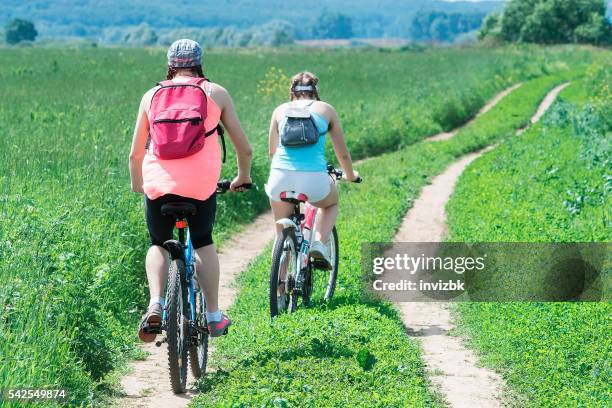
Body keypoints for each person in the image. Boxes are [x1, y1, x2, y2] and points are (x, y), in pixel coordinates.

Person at [129, 39, 253, 342]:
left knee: (158, 243)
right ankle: (212, 316)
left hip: (159, 183)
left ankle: (156, 302)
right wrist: (242, 177)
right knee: (202, 241)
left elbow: (134, 154)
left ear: (170, 63)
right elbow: (244, 148)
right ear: (199, 62)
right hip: (200, 185)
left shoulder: (152, 94)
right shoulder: (215, 92)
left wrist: (140, 186)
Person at [265, 71, 359, 267]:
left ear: (292, 91)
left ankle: (279, 292)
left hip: (279, 177)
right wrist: (350, 175)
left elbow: (272, 152)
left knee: (281, 233)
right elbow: (342, 154)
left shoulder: (279, 110)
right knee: (330, 204)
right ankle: (319, 243)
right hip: (314, 179)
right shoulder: (326, 109)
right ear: (315, 90)